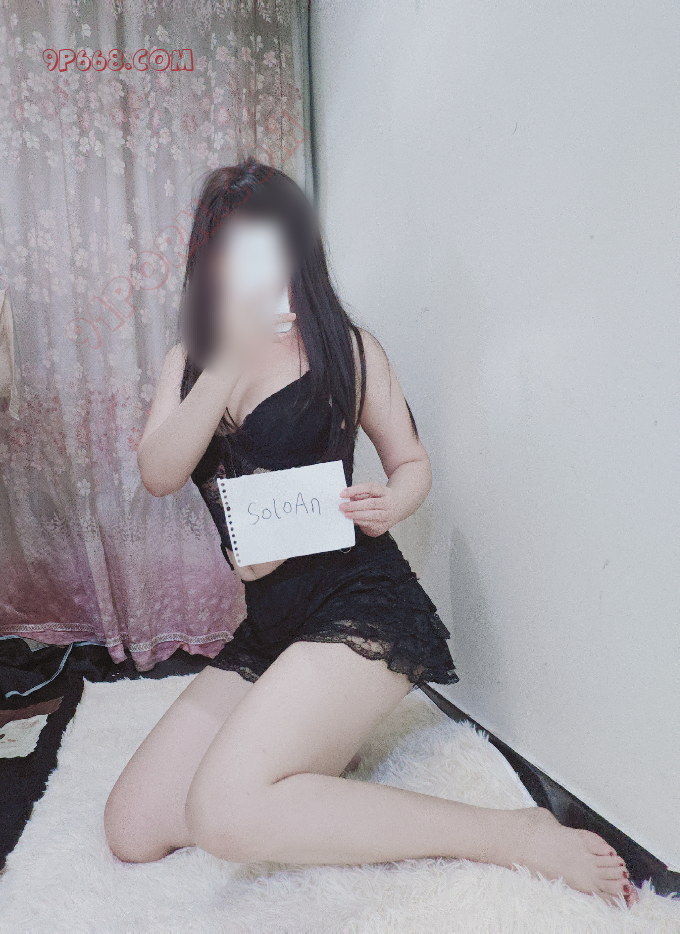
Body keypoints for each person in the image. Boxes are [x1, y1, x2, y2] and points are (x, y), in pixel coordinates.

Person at [103, 158, 637, 909]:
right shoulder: (189, 364)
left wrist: (392, 502)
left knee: (224, 812)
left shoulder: (347, 350)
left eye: (263, 246)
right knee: (132, 827)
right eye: (227, 246)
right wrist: (227, 360)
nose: (245, 265)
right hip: (271, 625)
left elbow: (411, 462)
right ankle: (310, 764)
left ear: (296, 250)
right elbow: (160, 472)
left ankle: (510, 833)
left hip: (360, 608)